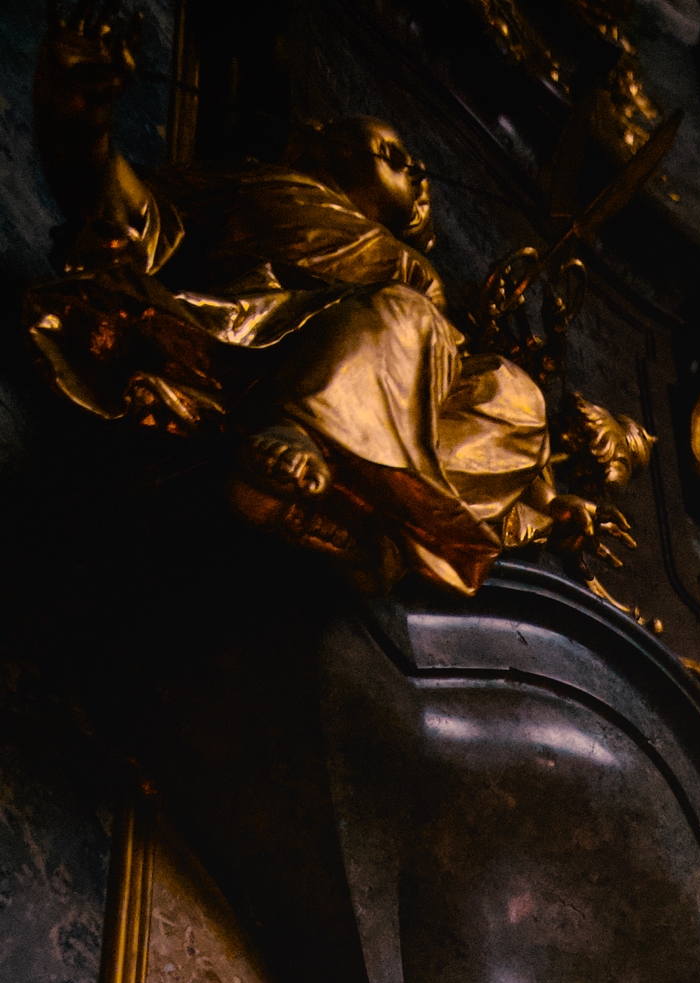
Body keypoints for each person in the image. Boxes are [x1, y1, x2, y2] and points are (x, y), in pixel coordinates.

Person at [30, 11, 583, 592]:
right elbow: (132, 213)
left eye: (418, 174)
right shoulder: (258, 186)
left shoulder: (412, 269)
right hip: (261, 333)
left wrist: (547, 491)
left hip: (397, 384)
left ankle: (370, 507)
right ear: (318, 142)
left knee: (515, 394)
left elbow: (439, 366)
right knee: (403, 314)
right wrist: (82, 113)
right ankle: (302, 431)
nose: (415, 169)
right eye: (391, 149)